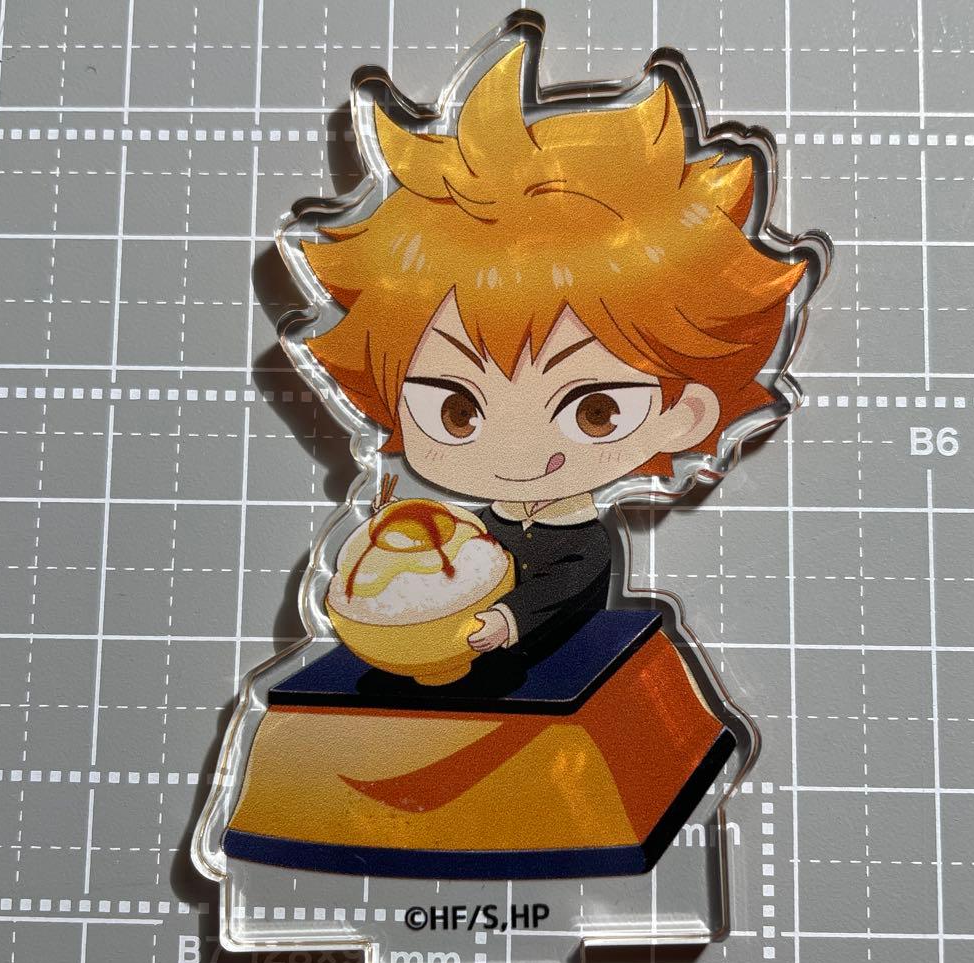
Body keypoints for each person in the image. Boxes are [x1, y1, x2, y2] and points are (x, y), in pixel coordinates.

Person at [303, 42, 803, 668]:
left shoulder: (583, 545)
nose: (519, 453)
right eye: (458, 412)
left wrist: (507, 621)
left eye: (595, 411)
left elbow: (567, 590)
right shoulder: (468, 533)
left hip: (560, 677)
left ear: (685, 415)